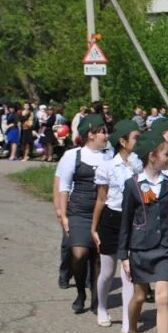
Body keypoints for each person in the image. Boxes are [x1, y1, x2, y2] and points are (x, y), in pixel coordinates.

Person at [117, 132, 168, 333]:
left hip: (166, 247)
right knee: (141, 296)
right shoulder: (132, 185)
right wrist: (123, 255)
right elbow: (125, 221)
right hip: (140, 248)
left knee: (163, 298)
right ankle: (132, 330)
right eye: (166, 153)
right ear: (152, 156)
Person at [55, 114, 113, 314]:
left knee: (99, 258)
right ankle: (81, 292)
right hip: (79, 211)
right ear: (91, 134)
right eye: (103, 131)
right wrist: (63, 215)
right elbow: (63, 186)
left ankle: (97, 299)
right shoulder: (73, 156)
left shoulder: (110, 155)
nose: (106, 135)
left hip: (105, 212)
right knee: (79, 254)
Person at [91, 120, 139, 331]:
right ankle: (101, 306)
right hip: (111, 219)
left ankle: (128, 322)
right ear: (122, 141)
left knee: (129, 273)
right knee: (108, 272)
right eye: (135, 137)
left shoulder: (138, 163)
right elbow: (101, 199)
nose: (138, 141)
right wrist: (94, 227)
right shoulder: (107, 167)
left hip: (133, 220)